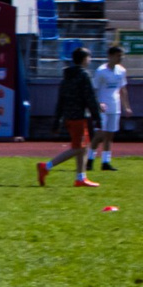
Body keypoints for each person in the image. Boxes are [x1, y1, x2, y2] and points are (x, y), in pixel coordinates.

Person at [39, 46, 100, 188]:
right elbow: (90, 97)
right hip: (79, 116)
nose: (90, 60)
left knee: (83, 147)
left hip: (69, 116)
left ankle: (81, 178)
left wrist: (57, 121)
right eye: (89, 57)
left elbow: (60, 100)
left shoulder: (66, 77)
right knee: (78, 148)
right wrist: (97, 116)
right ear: (85, 59)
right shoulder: (84, 75)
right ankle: (46, 166)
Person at [93, 44, 127, 171]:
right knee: (100, 134)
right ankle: (90, 158)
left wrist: (126, 107)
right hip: (103, 106)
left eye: (121, 55)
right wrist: (97, 104)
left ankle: (105, 162)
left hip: (115, 106)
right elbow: (95, 89)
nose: (120, 58)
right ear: (110, 56)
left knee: (110, 135)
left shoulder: (121, 70)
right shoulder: (101, 71)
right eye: (118, 55)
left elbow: (123, 89)